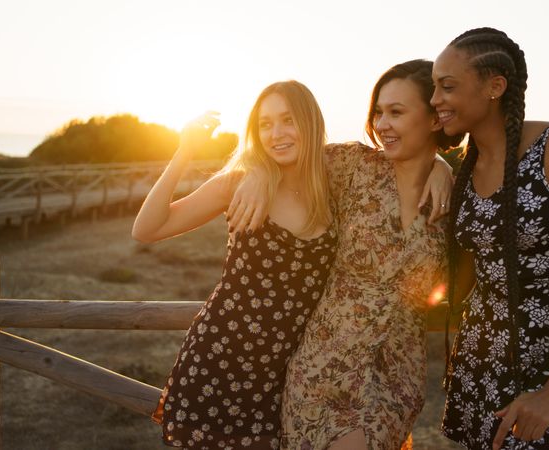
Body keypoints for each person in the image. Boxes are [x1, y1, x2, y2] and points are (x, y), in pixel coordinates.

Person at [229, 59, 463, 450]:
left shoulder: (453, 198)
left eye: (397, 112)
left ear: (435, 119)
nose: (382, 123)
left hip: (396, 379)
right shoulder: (353, 167)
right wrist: (255, 173)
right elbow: (283, 150)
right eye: (378, 112)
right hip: (324, 369)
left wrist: (442, 166)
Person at [431, 27, 549, 449]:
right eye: (433, 88)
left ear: (494, 87)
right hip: (483, 358)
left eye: (447, 86)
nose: (435, 100)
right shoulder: (461, 169)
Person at [132, 80, 339, 449]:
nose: (276, 134)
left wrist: (438, 163)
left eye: (288, 120)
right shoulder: (239, 183)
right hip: (218, 364)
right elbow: (147, 229)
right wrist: (184, 152)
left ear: (311, 122)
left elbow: (398, 164)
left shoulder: (336, 186)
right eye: (265, 124)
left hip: (286, 378)